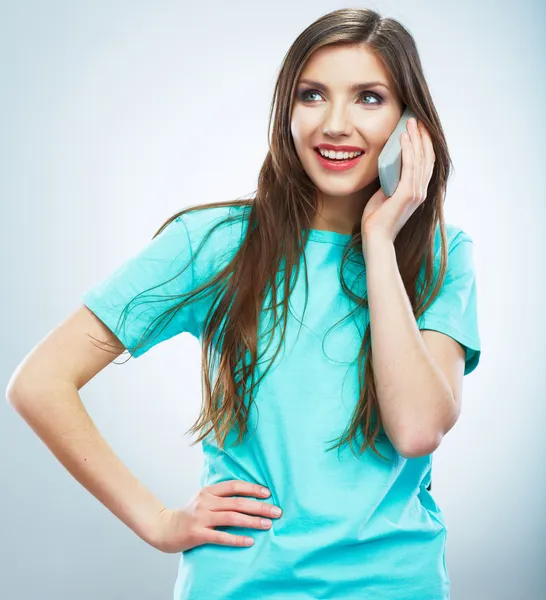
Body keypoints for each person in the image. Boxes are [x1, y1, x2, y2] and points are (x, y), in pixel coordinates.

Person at [7, 7, 481, 600]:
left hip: (395, 586)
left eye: (368, 98)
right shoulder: (215, 244)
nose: (335, 124)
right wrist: (158, 522)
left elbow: (415, 429)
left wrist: (379, 242)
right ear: (287, 111)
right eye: (313, 96)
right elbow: (41, 382)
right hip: (241, 585)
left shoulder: (442, 255)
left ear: (410, 122)